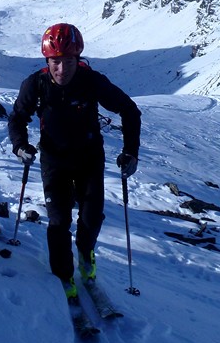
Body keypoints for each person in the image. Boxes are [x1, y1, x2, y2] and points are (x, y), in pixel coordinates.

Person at [7, 23, 141, 305]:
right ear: (47, 61)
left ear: (78, 59)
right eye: (56, 61)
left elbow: (129, 109)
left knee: (92, 217)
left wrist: (131, 151)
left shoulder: (91, 80)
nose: (62, 68)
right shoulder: (36, 84)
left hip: (89, 158)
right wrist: (19, 145)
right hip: (54, 160)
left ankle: (85, 252)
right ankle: (63, 276)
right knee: (59, 221)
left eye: (69, 61)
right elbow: (17, 117)